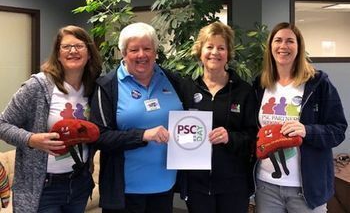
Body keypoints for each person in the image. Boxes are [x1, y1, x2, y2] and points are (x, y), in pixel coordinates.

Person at [0, 25, 102, 212]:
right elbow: (2, 124)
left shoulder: (94, 88)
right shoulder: (37, 86)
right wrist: (31, 139)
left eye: (79, 46)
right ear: (57, 53)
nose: (73, 51)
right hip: (43, 187)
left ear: (89, 52)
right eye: (66, 47)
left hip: (79, 183)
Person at [253, 22, 348, 213]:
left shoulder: (318, 83)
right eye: (278, 40)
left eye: (290, 41)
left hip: (307, 189)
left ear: (299, 47)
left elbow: (338, 130)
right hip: (266, 186)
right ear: (270, 46)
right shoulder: (260, 84)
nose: (283, 46)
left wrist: (308, 130)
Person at [89, 22, 183, 213]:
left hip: (165, 186)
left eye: (147, 48)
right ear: (123, 52)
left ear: (156, 51)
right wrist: (143, 135)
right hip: (125, 192)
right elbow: (99, 137)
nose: (142, 55)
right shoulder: (108, 86)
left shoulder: (172, 79)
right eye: (134, 49)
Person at [179, 21, 257, 213]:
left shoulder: (244, 91)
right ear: (200, 51)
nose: (215, 52)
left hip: (234, 185)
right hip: (197, 185)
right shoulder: (186, 89)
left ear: (228, 53)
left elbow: (254, 136)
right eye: (209, 46)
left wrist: (230, 137)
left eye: (221, 48)